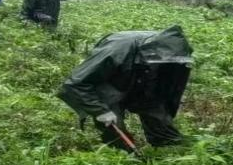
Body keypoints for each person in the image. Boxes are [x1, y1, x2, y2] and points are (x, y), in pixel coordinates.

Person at [57, 26, 193, 151]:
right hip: (113, 79)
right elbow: (75, 84)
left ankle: (172, 151)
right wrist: (100, 111)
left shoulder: (178, 55)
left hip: (144, 77)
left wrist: (165, 113)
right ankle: (124, 153)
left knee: (159, 119)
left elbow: (170, 90)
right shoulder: (115, 51)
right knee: (114, 125)